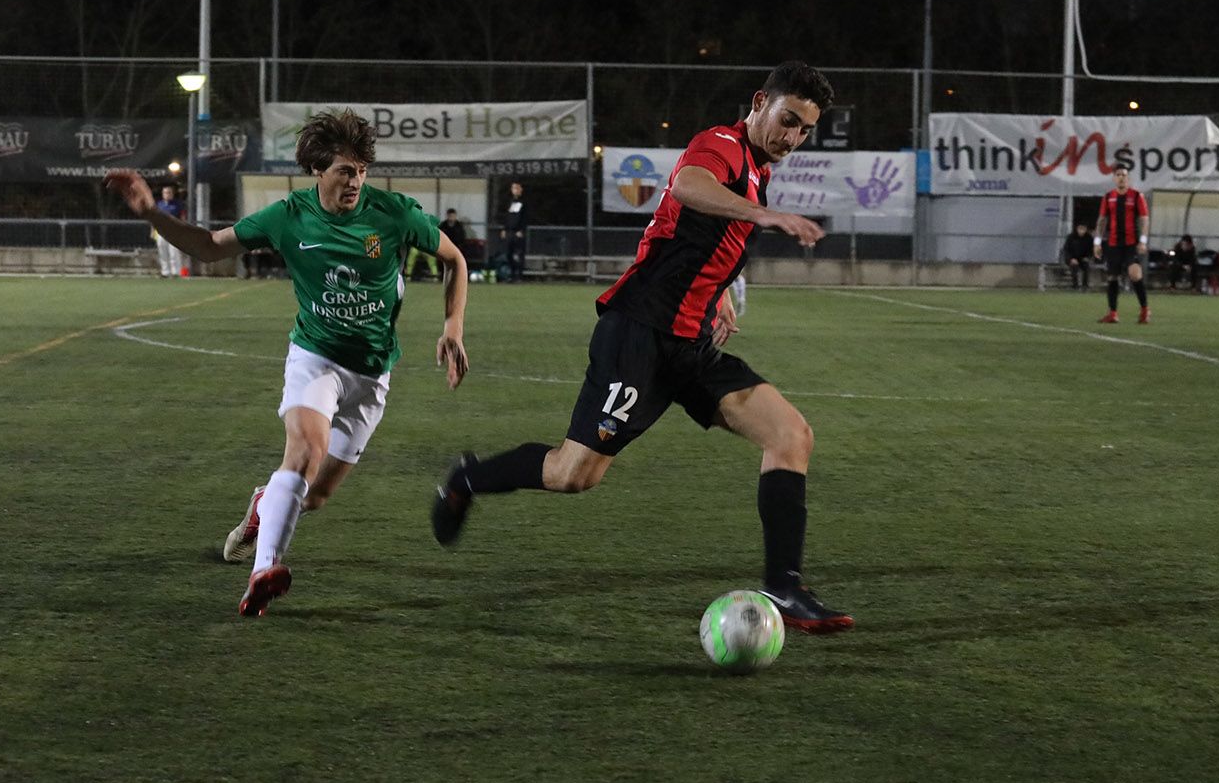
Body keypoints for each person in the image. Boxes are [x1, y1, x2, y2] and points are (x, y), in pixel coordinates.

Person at [430, 61, 851, 634]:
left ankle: (784, 587)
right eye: (787, 120)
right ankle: (468, 478)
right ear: (759, 101)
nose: (792, 138)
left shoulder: (757, 167)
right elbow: (687, 186)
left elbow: (685, 235)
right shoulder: (722, 145)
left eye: (804, 130)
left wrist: (718, 294)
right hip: (639, 337)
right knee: (572, 473)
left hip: (691, 343)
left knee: (791, 435)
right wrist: (765, 215)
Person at [104, 109, 471, 617]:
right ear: (318, 169)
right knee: (304, 452)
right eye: (345, 170)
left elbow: (456, 259)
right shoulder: (288, 217)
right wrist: (150, 212)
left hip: (372, 373)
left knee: (314, 495)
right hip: (315, 357)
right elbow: (209, 248)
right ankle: (265, 568)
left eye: (363, 170)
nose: (356, 181)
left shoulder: (394, 214)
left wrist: (453, 325)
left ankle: (264, 504)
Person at [1092, 167, 1151, 323]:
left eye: (1124, 175)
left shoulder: (1137, 196)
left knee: (1135, 274)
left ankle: (1145, 310)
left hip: (1131, 243)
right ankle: (1113, 313)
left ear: (1128, 178)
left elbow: (1144, 219)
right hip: (1113, 244)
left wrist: (1143, 241)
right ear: (1113, 178)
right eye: (1118, 175)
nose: (1121, 178)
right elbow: (1102, 220)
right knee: (1112, 277)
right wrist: (1097, 242)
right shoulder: (1108, 197)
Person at [154, 184, 186, 278]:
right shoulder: (159, 204)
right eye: (165, 193)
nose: (167, 194)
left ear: (172, 194)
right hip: (161, 230)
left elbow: (182, 217)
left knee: (174, 251)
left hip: (174, 230)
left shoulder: (177, 204)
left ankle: (175, 272)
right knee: (162, 250)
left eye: (169, 193)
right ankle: (165, 272)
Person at [500, 181, 528, 282]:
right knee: (508, 254)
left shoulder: (524, 202)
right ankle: (511, 274)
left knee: (519, 255)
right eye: (513, 188)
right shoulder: (509, 202)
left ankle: (519, 275)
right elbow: (506, 217)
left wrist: (521, 230)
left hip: (518, 232)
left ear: (521, 189)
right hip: (509, 232)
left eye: (517, 188)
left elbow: (525, 218)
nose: (515, 190)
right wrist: (504, 229)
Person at [1063, 222, 1094, 291]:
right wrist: (1071, 259)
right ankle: (1075, 286)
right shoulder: (1071, 237)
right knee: (1074, 267)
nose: (1082, 231)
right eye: (1080, 229)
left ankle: (1085, 286)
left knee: (1086, 267)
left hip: (1083, 258)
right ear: (1077, 229)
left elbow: (1091, 250)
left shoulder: (1089, 238)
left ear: (1086, 229)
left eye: (1084, 229)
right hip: (1072, 258)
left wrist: (1088, 257)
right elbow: (1066, 250)